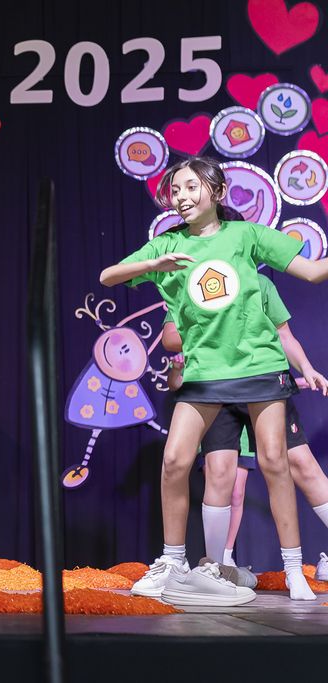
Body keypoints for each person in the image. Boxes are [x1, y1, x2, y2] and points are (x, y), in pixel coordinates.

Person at [100, 157, 328, 604]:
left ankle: (292, 567)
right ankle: (173, 561)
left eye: (190, 187)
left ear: (217, 192)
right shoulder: (168, 243)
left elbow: (312, 271)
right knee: (175, 461)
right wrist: (154, 263)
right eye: (175, 190)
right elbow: (108, 277)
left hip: (259, 369)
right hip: (204, 376)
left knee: (275, 462)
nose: (181, 197)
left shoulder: (246, 235)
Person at [162, 275, 328, 582]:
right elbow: (170, 336)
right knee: (219, 473)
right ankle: (214, 568)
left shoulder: (259, 282)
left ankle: (292, 569)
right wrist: (214, 329)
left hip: (263, 380)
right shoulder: (193, 282)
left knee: (301, 464)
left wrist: (306, 368)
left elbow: (284, 335)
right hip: (216, 385)